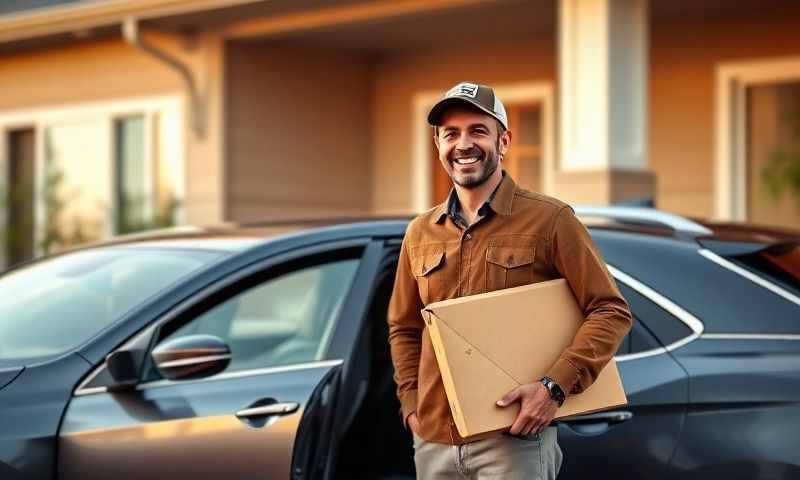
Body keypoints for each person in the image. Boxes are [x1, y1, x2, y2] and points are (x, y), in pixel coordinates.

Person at [387, 82, 633, 479]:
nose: (463, 144)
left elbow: (610, 310)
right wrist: (412, 403)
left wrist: (554, 388)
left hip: (514, 441)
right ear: (438, 145)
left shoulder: (550, 220)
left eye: (477, 131)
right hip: (433, 443)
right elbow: (404, 326)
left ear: (504, 140)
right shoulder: (420, 232)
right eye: (451, 134)